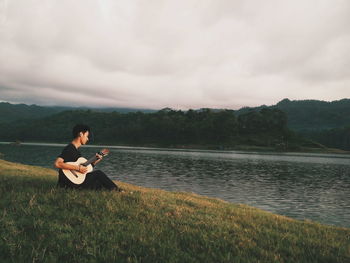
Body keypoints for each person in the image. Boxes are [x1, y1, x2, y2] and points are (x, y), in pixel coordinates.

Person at [54, 124, 120, 191]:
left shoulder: (76, 150)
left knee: (98, 184)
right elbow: (57, 163)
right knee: (98, 173)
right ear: (81, 134)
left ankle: (112, 190)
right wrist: (78, 168)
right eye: (87, 136)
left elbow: (84, 168)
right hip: (69, 183)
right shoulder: (70, 148)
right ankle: (119, 191)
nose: (87, 139)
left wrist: (95, 160)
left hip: (74, 181)